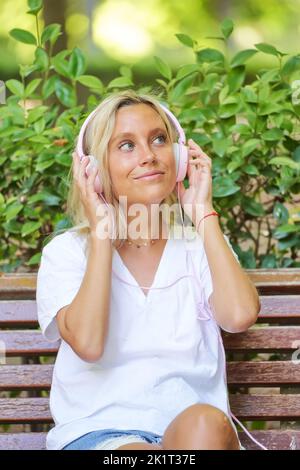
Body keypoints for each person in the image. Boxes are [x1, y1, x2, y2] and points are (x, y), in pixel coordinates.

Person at [36, 89, 261, 450]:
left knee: (205, 422)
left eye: (158, 140)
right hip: (99, 438)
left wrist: (203, 214)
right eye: (126, 145)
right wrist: (101, 234)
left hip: (193, 438)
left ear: (179, 158)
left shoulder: (199, 245)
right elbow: (89, 344)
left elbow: (238, 316)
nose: (149, 156)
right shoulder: (66, 254)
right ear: (92, 170)